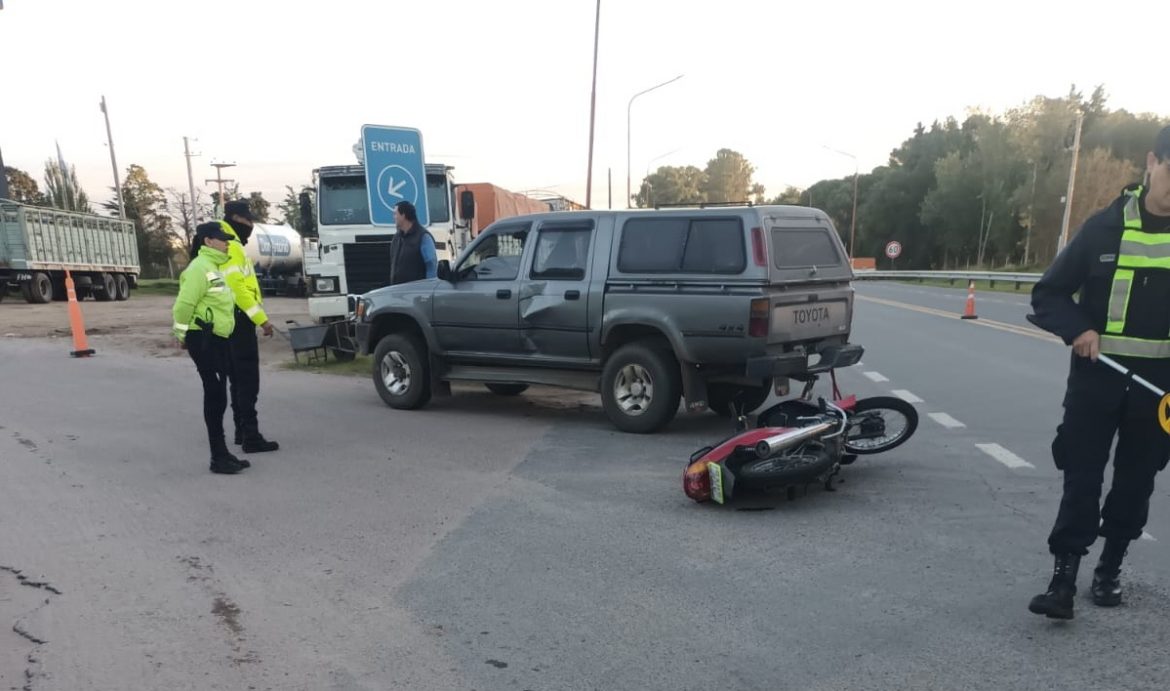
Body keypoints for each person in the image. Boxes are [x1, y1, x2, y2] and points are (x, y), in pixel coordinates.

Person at [1027, 125, 1170, 620]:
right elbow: (1049, 293)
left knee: (1136, 482)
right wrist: (1079, 329)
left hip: (1159, 389)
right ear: (1152, 162)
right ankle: (1063, 579)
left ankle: (1110, 568)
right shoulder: (1102, 229)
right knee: (1081, 477)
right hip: (1097, 378)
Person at [173, 222, 250, 474]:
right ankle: (218, 457)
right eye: (222, 239)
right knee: (215, 396)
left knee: (219, 395)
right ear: (208, 241)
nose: (227, 243)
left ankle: (222, 453)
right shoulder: (199, 268)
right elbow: (184, 305)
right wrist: (181, 333)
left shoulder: (213, 267)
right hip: (204, 339)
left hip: (218, 339)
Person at [219, 200, 279, 454]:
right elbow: (238, 289)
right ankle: (251, 436)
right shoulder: (231, 246)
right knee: (247, 380)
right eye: (248, 220)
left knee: (236, 379)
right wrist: (261, 319)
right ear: (236, 218)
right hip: (239, 320)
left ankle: (240, 431)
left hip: (226, 320)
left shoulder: (220, 242)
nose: (251, 225)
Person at [389, 201, 437, 285]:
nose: (394, 217)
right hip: (397, 290)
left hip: (416, 291)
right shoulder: (397, 238)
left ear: (403, 215)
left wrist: (430, 287)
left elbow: (431, 265)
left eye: (395, 214)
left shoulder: (423, 237)